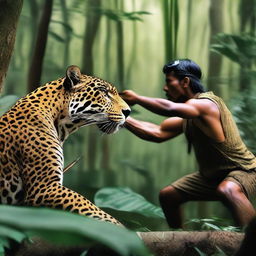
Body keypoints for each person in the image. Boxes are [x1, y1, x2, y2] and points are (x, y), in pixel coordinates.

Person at [120, 59, 256, 228]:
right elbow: (157, 133)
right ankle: (182, 243)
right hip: (212, 176)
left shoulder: (206, 104)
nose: (165, 88)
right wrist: (119, 116)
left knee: (228, 189)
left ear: (185, 82)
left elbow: (169, 108)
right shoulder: (190, 116)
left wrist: (137, 98)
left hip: (244, 171)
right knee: (168, 196)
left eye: (169, 82)